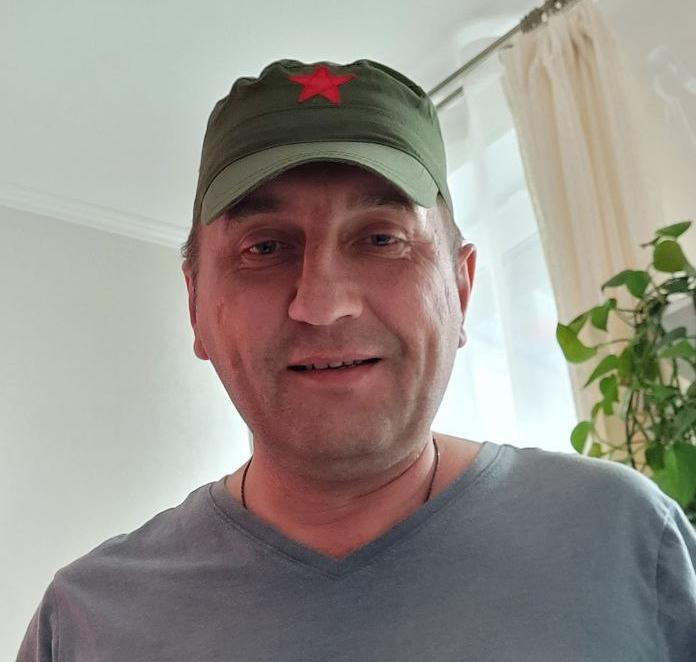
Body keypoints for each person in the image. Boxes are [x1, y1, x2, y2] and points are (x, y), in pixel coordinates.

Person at [16, 58, 696, 661]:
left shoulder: (625, 541)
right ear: (196, 305)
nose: (322, 303)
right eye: (264, 247)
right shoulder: (84, 626)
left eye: (381, 239)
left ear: (461, 290)